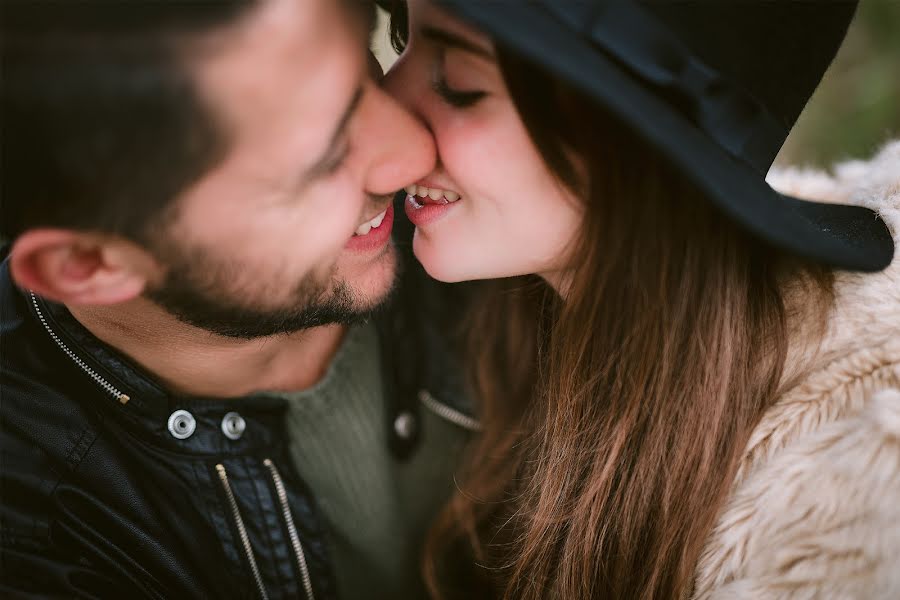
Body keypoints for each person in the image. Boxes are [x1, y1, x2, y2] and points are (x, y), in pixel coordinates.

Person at [384, 0, 899, 598]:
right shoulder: (496, 316)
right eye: (402, 38)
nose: (384, 116)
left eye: (460, 86)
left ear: (631, 140)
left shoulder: (859, 505)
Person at [1, 1, 476, 598]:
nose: (413, 150)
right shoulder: (33, 541)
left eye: (369, 62)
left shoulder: (484, 225)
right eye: (321, 158)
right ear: (89, 265)